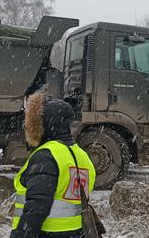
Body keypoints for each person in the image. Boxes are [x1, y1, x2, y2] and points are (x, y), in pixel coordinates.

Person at [11, 92, 96, 238]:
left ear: (45, 123)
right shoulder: (82, 156)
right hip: (76, 233)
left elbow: (37, 206)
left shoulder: (46, 156)